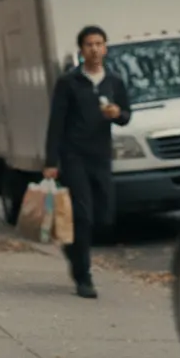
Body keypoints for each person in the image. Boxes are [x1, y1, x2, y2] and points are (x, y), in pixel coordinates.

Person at [43, 25, 131, 299]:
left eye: (99, 44)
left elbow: (127, 115)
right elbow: (56, 123)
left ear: (105, 48)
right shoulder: (69, 83)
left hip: (101, 156)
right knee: (83, 215)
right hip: (74, 156)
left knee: (104, 215)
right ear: (81, 50)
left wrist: (117, 114)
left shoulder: (114, 81)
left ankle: (71, 247)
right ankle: (84, 276)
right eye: (89, 44)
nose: (94, 49)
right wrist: (51, 160)